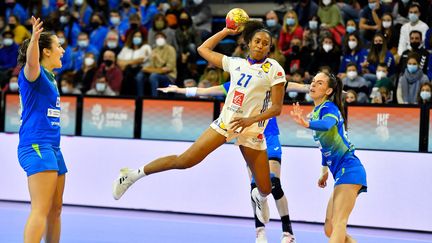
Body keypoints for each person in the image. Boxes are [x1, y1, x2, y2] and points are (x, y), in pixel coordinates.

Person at [112, 21, 287, 229]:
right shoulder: (235, 63)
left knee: (266, 188)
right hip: (226, 124)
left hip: (252, 131)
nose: (260, 45)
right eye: (257, 41)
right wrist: (225, 31)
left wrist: (250, 120)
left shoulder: (274, 69)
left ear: (269, 48)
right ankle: (132, 175)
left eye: (265, 43)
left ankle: (260, 197)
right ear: (249, 43)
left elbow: (276, 108)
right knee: (185, 160)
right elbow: (202, 49)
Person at [157, 81, 307, 242]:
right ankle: (260, 232)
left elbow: (300, 87)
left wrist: (319, 87)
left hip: (269, 137)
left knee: (274, 183)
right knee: (254, 186)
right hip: (249, 138)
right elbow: (208, 91)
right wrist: (179, 90)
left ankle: (288, 233)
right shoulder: (237, 80)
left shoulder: (271, 79)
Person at [290, 72, 367, 243]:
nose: (313, 85)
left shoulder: (329, 108)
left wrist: (306, 123)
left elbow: (327, 125)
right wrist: (324, 171)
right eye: (313, 82)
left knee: (339, 223)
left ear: (329, 90)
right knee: (330, 228)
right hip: (339, 172)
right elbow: (325, 146)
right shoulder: (317, 111)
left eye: (319, 83)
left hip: (350, 169)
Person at [16, 16, 67, 243]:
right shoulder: (33, 75)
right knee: (40, 209)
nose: (62, 50)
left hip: (53, 147)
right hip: (35, 145)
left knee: (55, 210)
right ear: (46, 51)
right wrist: (35, 39)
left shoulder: (50, 78)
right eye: (58, 46)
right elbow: (31, 64)